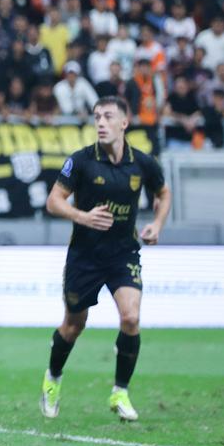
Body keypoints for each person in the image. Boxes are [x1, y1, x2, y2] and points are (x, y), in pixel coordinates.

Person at [42, 96, 172, 421]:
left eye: (108, 116)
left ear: (124, 123)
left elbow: (163, 193)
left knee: (130, 318)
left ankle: (120, 393)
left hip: (122, 253)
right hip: (84, 256)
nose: (100, 122)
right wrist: (83, 217)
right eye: (96, 117)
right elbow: (54, 201)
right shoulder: (82, 161)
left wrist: (157, 224)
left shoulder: (142, 163)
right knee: (74, 325)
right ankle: (53, 379)